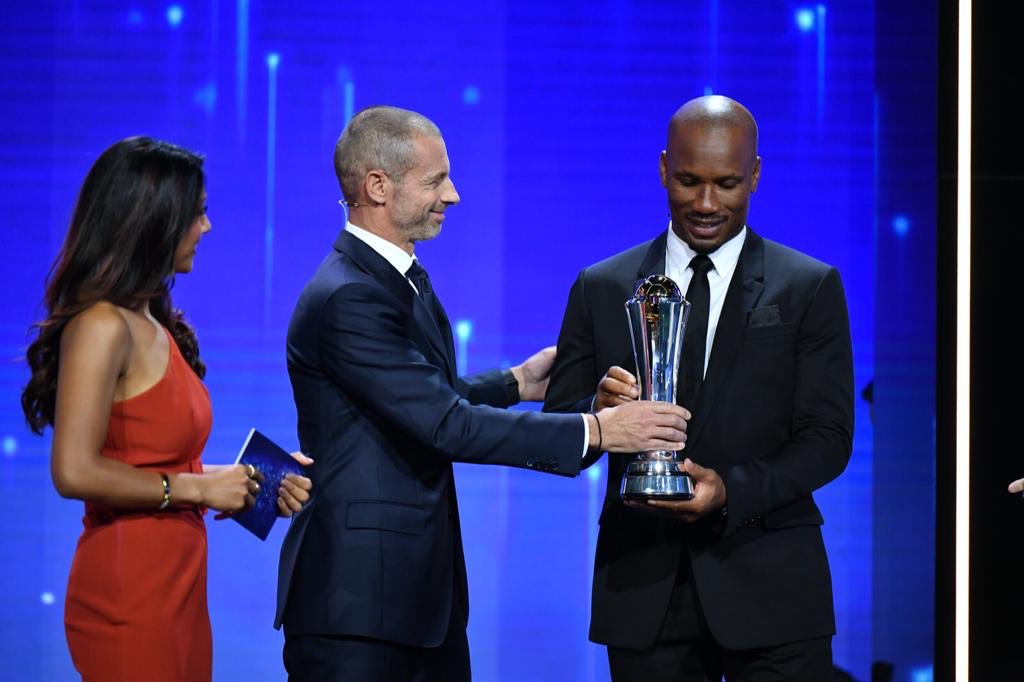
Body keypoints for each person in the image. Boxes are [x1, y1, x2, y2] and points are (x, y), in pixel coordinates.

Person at [275, 105, 691, 681]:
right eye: (435, 180)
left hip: (412, 600)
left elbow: (418, 395)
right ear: (377, 186)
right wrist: (597, 431)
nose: (453, 195)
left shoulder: (387, 280)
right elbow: (444, 422)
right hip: (361, 607)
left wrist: (517, 382)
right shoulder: (350, 296)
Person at [544, 95, 854, 681]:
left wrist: (728, 491)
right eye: (688, 181)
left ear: (755, 175)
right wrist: (599, 416)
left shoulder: (809, 287)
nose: (707, 204)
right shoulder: (602, 286)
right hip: (644, 591)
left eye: (727, 183)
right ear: (663, 169)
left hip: (774, 593)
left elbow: (828, 439)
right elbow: (559, 427)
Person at [20, 136, 313, 682]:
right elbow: (74, 470)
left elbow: (151, 457)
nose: (207, 228)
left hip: (179, 583)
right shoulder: (101, 325)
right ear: (153, 221)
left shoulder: (154, 321)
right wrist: (199, 489)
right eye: (196, 214)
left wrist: (242, 481)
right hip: (128, 591)